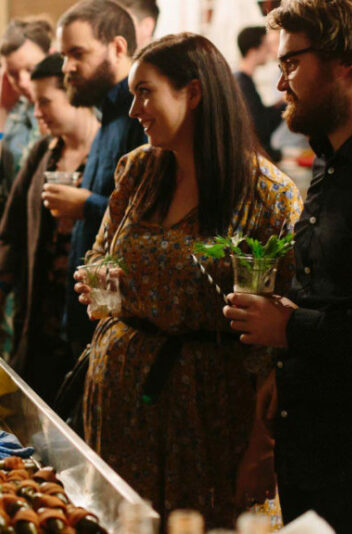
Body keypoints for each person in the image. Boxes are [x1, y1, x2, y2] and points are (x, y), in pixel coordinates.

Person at [73, 33, 301, 526]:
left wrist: (263, 448)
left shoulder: (267, 195)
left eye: (145, 92)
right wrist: (96, 281)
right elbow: (100, 252)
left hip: (209, 411)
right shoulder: (138, 171)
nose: (134, 109)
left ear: (193, 93)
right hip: (121, 398)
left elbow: (281, 344)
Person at [221, 1, 352, 531]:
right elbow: (341, 295)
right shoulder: (334, 156)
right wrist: (287, 368)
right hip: (314, 451)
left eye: (290, 64)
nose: (280, 83)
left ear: (346, 60)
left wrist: (292, 328)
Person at [0, 53, 99, 402]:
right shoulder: (41, 153)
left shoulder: (106, 154)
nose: (37, 112)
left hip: (86, 315)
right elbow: (13, 231)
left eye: (45, 102)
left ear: (73, 96)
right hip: (38, 313)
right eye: (33, 103)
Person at [54, 0, 148, 371]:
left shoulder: (139, 114)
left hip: (118, 316)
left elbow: (146, 212)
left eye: (77, 53)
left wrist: (85, 204)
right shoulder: (106, 113)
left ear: (118, 47)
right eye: (64, 55)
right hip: (92, 309)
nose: (67, 68)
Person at [0, 17, 53, 185]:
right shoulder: (14, 112)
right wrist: (0, 110)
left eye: (30, 69)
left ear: (51, 57)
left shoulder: (73, 105)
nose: (22, 81)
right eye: (13, 73)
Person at [236, 26, 285, 160]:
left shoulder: (242, 80)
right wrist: (285, 104)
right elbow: (260, 127)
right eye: (265, 46)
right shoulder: (242, 83)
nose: (269, 51)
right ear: (253, 51)